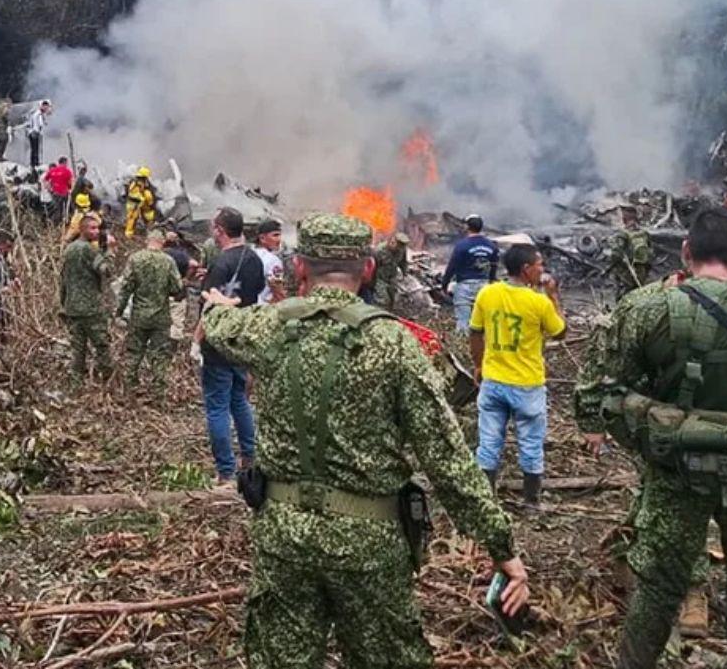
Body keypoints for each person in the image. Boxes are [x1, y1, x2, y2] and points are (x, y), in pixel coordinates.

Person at [201, 212, 528, 667]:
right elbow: (447, 459)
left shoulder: (267, 327)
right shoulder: (394, 342)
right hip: (370, 546)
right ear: (369, 269)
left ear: (300, 268)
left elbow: (219, 325)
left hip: (283, 538)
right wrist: (500, 547)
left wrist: (218, 306)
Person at [575, 208, 727, 668]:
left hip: (675, 472)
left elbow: (596, 393)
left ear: (685, 250)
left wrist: (647, 434)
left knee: (659, 588)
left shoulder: (647, 307)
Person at [469, 243, 566, 507]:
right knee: (531, 445)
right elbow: (560, 332)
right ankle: (531, 502)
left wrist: (478, 365)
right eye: (539, 264)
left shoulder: (487, 293)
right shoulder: (539, 302)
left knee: (488, 443)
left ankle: (485, 501)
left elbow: (475, 332)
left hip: (493, 382)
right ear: (526, 269)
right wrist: (553, 296)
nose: (542, 269)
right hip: (527, 385)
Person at [194, 207, 263, 484]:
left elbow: (209, 307)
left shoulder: (221, 263)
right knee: (239, 399)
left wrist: (196, 341)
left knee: (217, 406)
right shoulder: (254, 259)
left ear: (220, 230)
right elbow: (254, 294)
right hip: (242, 339)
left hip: (218, 343)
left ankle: (225, 472)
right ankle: (250, 456)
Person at [115, 230, 184, 393]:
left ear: (147, 240)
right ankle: (158, 390)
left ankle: (130, 386)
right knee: (160, 354)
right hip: (161, 316)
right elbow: (177, 288)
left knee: (134, 351)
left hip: (139, 315)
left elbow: (125, 288)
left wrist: (119, 311)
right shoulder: (168, 261)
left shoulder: (135, 259)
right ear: (162, 242)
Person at [59, 214, 113, 382]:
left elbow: (63, 280)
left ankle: (76, 382)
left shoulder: (69, 249)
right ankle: (106, 381)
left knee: (78, 349)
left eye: (98, 228)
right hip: (91, 308)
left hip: (73, 308)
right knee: (102, 345)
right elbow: (107, 270)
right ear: (83, 229)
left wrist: (63, 303)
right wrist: (109, 250)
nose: (97, 231)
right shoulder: (88, 249)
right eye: (93, 228)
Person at [440, 214, 499, 332]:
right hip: (484, 287)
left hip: (464, 287)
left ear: (467, 227)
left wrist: (444, 284)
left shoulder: (462, 245)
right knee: (483, 322)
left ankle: (462, 341)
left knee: (463, 321)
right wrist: (491, 281)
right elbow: (494, 266)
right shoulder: (491, 246)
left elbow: (452, 267)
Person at [606, 207, 654, 299]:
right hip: (642, 269)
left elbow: (616, 253)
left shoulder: (623, 234)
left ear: (624, 219)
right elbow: (651, 250)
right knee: (639, 291)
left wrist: (610, 266)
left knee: (624, 293)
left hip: (628, 269)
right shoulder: (643, 233)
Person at [372, 232, 411, 311]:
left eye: (401, 247)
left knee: (392, 299)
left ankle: (388, 313)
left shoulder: (402, 250)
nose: (399, 249)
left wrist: (405, 273)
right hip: (380, 279)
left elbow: (403, 262)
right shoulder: (379, 251)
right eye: (398, 245)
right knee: (382, 299)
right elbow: (373, 266)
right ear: (393, 241)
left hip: (392, 278)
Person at [253, 220, 287, 305]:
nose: (279, 239)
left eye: (279, 235)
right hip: (265, 306)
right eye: (275, 235)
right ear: (262, 238)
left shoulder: (248, 255)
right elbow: (278, 291)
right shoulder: (273, 260)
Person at [124, 167, 157, 238]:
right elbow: (133, 195)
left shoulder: (142, 183)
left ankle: (149, 224)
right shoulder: (135, 184)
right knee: (132, 218)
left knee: (147, 213)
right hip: (133, 204)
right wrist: (142, 198)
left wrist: (149, 201)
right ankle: (128, 234)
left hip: (139, 203)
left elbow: (146, 192)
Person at [25, 99, 51, 171]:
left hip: (36, 133)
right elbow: (36, 125)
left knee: (36, 149)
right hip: (34, 133)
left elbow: (43, 123)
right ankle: (34, 163)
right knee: (35, 149)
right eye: (45, 106)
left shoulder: (41, 114)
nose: (46, 108)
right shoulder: (37, 114)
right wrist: (36, 133)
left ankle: (35, 162)